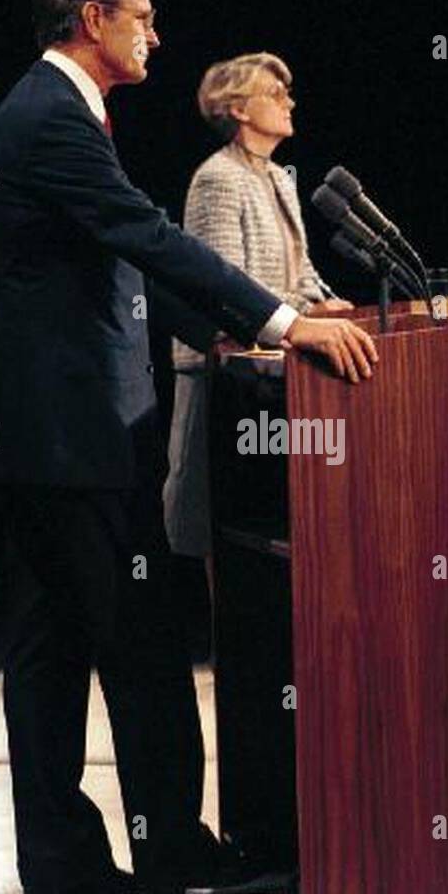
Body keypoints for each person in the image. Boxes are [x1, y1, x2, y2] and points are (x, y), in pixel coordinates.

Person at [0, 0, 377, 894]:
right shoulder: (49, 118)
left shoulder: (55, 112)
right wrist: (279, 324)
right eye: (142, 14)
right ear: (90, 20)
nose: (156, 30)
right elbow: (149, 237)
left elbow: (127, 265)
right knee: (143, 645)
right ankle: (175, 854)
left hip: (45, 435)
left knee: (51, 646)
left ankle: (61, 863)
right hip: (78, 437)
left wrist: (259, 331)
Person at [163, 52, 352, 558]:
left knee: (262, 518)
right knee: (209, 519)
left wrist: (334, 305)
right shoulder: (217, 177)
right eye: (275, 93)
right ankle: (209, 629)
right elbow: (226, 284)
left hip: (274, 366)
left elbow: (302, 268)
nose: (289, 101)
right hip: (219, 371)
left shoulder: (277, 177)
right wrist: (307, 316)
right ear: (239, 109)